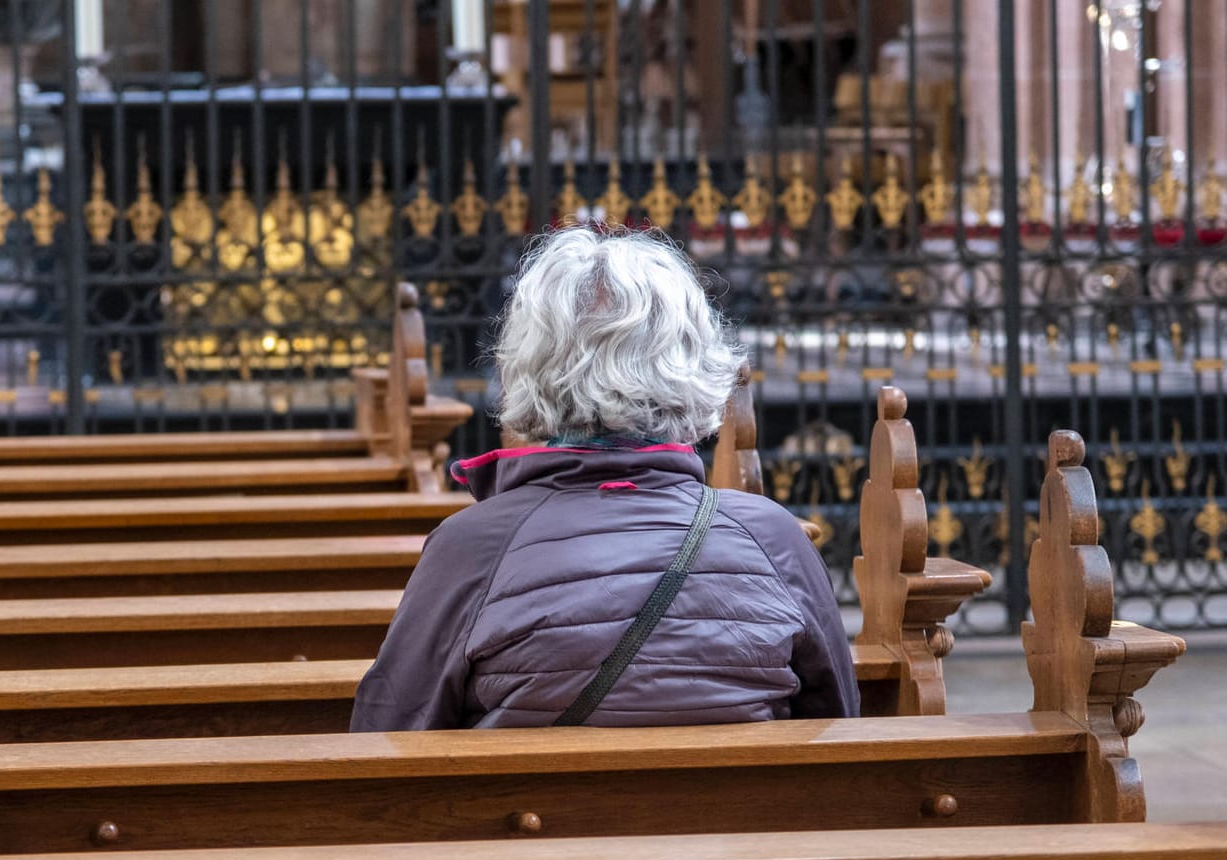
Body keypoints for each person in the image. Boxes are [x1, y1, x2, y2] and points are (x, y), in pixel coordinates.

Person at [350, 226, 859, 731]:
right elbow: (838, 728)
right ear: (695, 362)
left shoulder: (472, 547)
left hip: (532, 814)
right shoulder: (773, 538)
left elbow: (389, 739)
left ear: (526, 366)